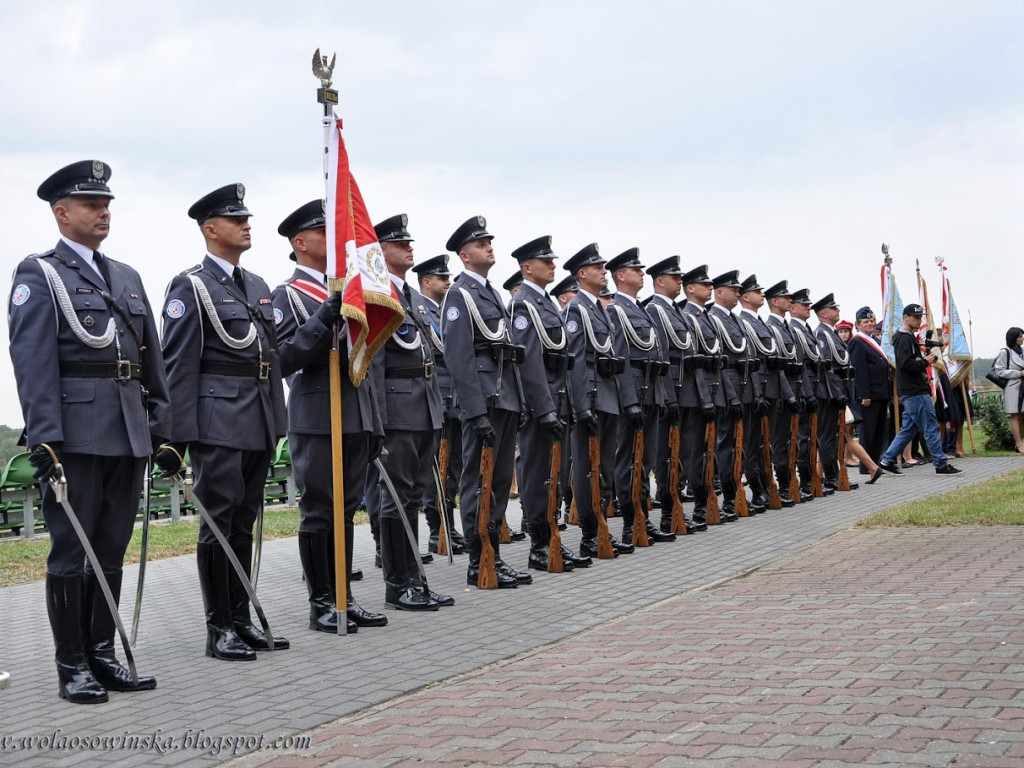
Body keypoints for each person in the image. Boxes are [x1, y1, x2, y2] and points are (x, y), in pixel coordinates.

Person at [8, 160, 172, 703]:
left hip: (127, 428)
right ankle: (71, 664)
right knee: (70, 552)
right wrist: (45, 439)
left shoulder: (126, 275)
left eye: (106, 205)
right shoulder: (40, 273)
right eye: (90, 205)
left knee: (110, 546)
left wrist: (161, 425)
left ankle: (103, 653)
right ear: (62, 213)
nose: (103, 212)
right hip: (75, 433)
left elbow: (151, 359)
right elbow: (32, 361)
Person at [161, 183, 290, 661]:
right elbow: (179, 365)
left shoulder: (256, 286)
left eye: (247, 218)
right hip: (217, 419)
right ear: (211, 230)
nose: (246, 224)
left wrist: (277, 419)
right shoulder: (190, 285)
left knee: (244, 521)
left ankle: (241, 615)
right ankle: (219, 628)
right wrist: (179, 437)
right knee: (218, 523)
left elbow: (270, 358)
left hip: (256, 416)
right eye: (236, 220)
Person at [271, 199, 387, 634]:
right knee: (320, 511)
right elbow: (285, 357)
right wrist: (323, 317)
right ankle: (321, 600)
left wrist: (373, 421)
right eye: (324, 232)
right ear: (301, 243)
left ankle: (344, 595)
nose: (335, 239)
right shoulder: (288, 295)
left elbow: (366, 361)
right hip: (317, 415)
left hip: (355, 414)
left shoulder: (349, 289)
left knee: (345, 511)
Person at [366, 214, 454, 610]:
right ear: (379, 251)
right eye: (398, 243)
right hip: (397, 409)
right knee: (395, 498)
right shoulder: (376, 295)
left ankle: (415, 578)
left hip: (423, 407)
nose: (408, 247)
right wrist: (378, 420)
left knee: (414, 496)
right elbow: (374, 364)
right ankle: (397, 584)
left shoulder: (414, 299)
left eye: (408, 241)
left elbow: (430, 356)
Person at [440, 216, 530, 589]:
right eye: (481, 244)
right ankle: (479, 561)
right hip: (484, 402)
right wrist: (475, 412)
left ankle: (494, 553)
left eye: (490, 242)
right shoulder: (459, 295)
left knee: (500, 481)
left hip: (505, 398)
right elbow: (458, 359)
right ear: (464, 255)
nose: (490, 247)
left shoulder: (492, 294)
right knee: (478, 481)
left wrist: (520, 402)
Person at [508, 236, 591, 571]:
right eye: (546, 261)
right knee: (537, 475)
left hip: (560, 401)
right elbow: (528, 363)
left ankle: (553, 538)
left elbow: (564, 360)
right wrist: (544, 409)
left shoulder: (547, 304)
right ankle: (539, 547)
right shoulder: (523, 305)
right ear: (528, 267)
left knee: (556, 476)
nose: (553, 265)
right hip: (542, 405)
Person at [564, 244, 634, 557]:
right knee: (586, 467)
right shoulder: (576, 309)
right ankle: (590, 535)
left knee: (604, 467)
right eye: (598, 267)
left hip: (607, 397)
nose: (604, 271)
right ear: (582, 274)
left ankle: (602, 526)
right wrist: (581, 406)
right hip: (590, 399)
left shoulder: (599, 309)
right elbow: (575, 361)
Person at [605, 248, 675, 544]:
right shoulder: (615, 310)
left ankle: (643, 519)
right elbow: (619, 359)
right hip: (634, 394)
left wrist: (666, 397)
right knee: (629, 461)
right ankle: (630, 522)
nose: (642, 273)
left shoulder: (642, 310)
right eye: (636, 270)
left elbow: (658, 357)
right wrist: (629, 400)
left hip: (652, 392)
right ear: (621, 276)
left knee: (645, 461)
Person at [646, 256, 706, 532]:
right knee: (668, 454)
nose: (680, 280)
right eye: (674, 277)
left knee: (686, 452)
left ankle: (678, 510)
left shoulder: (679, 312)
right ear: (660, 281)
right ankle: (669, 515)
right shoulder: (656, 310)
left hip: (688, 392)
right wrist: (668, 397)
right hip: (672, 392)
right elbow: (660, 358)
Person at [414, 254, 467, 555]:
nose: (448, 282)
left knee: (454, 467)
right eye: (442, 278)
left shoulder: (446, 312)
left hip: (454, 399)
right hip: (436, 398)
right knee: (438, 468)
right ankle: (437, 530)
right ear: (426, 282)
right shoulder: (422, 312)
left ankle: (449, 524)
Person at [878, 304, 963, 475]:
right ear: (905, 317)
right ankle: (940, 463)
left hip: (911, 391)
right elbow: (905, 364)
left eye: (919, 317)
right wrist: (925, 361)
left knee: (908, 429)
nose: (918, 321)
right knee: (931, 427)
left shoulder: (906, 337)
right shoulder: (904, 338)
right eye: (915, 317)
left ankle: (887, 460)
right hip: (915, 391)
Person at [738, 275, 799, 510]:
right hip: (757, 392)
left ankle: (770, 486)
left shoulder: (762, 324)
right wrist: (758, 393)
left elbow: (777, 365)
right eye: (757, 291)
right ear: (746, 296)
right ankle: (758, 489)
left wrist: (788, 394)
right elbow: (750, 363)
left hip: (773, 391)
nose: (761, 294)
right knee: (753, 445)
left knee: (769, 443)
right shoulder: (744, 322)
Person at [679, 265, 728, 525]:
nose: (710, 288)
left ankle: (709, 501)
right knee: (697, 451)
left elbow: (720, 361)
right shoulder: (687, 316)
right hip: (698, 395)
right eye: (705, 285)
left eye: (711, 285)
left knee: (710, 451)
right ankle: (699, 504)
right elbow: (694, 362)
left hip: (714, 391)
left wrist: (726, 396)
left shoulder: (707, 317)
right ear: (690, 288)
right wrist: (706, 398)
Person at [707, 270, 756, 518]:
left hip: (744, 389)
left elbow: (747, 358)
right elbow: (720, 363)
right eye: (733, 289)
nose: (738, 293)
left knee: (742, 445)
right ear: (719, 292)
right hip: (727, 393)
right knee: (726, 446)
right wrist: (731, 396)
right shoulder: (713, 318)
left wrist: (753, 392)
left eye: (739, 290)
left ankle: (739, 494)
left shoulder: (735, 319)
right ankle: (728, 497)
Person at [762, 281, 804, 506]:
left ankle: (789, 484)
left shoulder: (787, 327)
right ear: (774, 302)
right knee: (778, 442)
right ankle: (783, 485)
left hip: (792, 390)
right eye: (785, 298)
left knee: (789, 441)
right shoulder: (771, 327)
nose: (790, 301)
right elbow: (776, 368)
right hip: (779, 393)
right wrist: (788, 395)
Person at [811, 294, 858, 493]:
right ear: (823, 313)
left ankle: (834, 475)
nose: (837, 310)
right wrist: (837, 392)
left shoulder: (831, 333)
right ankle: (831, 477)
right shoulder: (822, 334)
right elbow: (826, 367)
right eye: (833, 308)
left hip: (839, 389)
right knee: (828, 437)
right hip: (829, 392)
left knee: (835, 435)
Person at [848, 306, 892, 470]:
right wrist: (864, 394)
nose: (870, 324)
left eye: (872, 320)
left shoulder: (874, 340)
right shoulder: (857, 341)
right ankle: (867, 466)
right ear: (857, 324)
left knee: (879, 431)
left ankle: (874, 463)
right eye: (866, 321)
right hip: (869, 395)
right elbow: (859, 370)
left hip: (880, 392)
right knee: (868, 431)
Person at [788, 289, 821, 502]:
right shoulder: (793, 329)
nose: (808, 307)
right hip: (799, 390)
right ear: (792, 308)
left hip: (811, 388)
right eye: (803, 304)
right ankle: (804, 481)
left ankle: (811, 479)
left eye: (808, 304)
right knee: (800, 438)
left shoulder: (806, 329)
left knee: (809, 438)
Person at [992, 327, 1024, 452]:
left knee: (1022, 415)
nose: (1022, 338)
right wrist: (1018, 373)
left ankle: (1021, 441)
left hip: (1023, 386)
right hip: (1013, 387)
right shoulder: (1005, 352)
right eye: (1020, 336)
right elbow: (999, 371)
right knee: (1015, 415)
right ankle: (1018, 443)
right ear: (1013, 338)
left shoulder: (1022, 351)